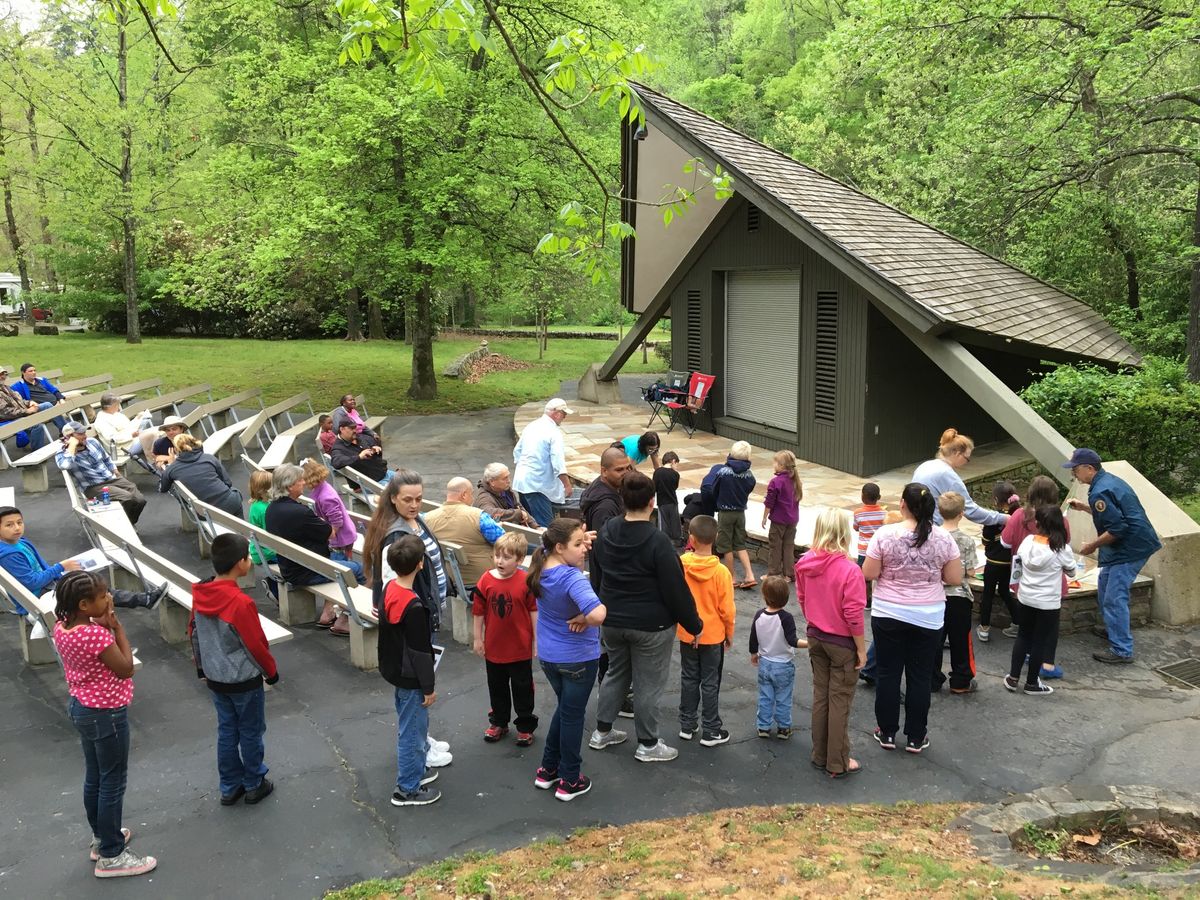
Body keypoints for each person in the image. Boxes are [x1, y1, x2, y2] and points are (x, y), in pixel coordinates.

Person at [587, 472, 702, 763]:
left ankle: (602, 732)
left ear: (622, 499)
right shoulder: (658, 541)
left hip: (612, 619)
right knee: (648, 684)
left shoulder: (607, 531)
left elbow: (597, 578)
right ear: (652, 501)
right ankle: (648, 744)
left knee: (616, 673)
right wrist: (694, 625)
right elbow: (676, 589)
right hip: (652, 625)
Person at [52, 570, 157, 878]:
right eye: (102, 596)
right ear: (84, 605)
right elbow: (125, 669)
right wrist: (117, 629)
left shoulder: (63, 627)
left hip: (81, 706)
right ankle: (111, 855)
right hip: (106, 712)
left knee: (96, 776)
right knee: (113, 780)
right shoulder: (96, 634)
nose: (109, 598)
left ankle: (102, 837)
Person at [862, 483, 962, 755]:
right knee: (919, 677)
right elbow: (954, 578)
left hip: (888, 613)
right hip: (928, 616)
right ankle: (916, 736)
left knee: (888, 673)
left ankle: (887, 732)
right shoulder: (943, 538)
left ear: (903, 505)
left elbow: (869, 572)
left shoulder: (885, 534)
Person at [190, 534, 279, 806]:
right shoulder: (240, 602)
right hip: (243, 678)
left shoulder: (201, 594)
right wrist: (270, 671)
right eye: (248, 557)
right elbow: (254, 643)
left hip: (216, 676)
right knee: (251, 730)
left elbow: (193, 634)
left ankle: (230, 786)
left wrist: (201, 668)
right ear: (241, 563)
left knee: (227, 730)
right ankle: (254, 782)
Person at [528, 518, 606, 801]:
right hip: (578, 659)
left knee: (565, 710)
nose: (584, 548)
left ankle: (548, 769)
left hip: (550, 656)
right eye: (578, 544)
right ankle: (570, 779)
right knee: (573, 716)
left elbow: (570, 563)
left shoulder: (541, 567)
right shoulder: (571, 578)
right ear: (560, 547)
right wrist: (586, 618)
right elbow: (598, 614)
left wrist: (579, 545)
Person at [0, 506, 167, 632]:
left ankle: (143, 600)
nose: (16, 528)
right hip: (38, 597)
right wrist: (60, 568)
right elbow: (31, 582)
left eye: (19, 522)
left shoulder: (21, 542)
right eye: (9, 525)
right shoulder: (8, 554)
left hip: (48, 587)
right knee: (91, 591)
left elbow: (40, 568)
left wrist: (61, 574)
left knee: (90, 585)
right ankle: (140, 602)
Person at [1064, 448, 1161, 664]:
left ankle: (1122, 650)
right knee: (1105, 584)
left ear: (1089, 468)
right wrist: (1084, 508)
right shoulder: (1107, 481)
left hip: (1130, 548)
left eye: (1076, 470)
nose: (1074, 475)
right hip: (1133, 544)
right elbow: (1112, 512)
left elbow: (1117, 529)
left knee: (1114, 597)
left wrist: (1091, 546)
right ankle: (1114, 630)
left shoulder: (1100, 491)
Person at [795, 509, 867, 776]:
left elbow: (802, 600)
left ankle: (820, 753)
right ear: (844, 533)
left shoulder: (804, 563)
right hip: (842, 642)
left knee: (821, 697)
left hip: (816, 635)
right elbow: (853, 615)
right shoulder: (850, 570)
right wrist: (861, 649)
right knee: (839, 700)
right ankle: (837, 761)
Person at [379, 534, 442, 807]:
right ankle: (407, 789)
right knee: (413, 732)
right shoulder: (414, 607)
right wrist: (428, 686)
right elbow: (419, 652)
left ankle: (415, 771)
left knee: (412, 724)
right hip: (412, 676)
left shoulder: (390, 589)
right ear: (420, 564)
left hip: (395, 668)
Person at [263, 464, 366, 604]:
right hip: (307, 570)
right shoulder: (300, 512)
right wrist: (320, 520)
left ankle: (328, 613)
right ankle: (348, 615)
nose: (304, 482)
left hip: (289, 565)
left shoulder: (271, 509)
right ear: (290, 486)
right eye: (300, 480)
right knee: (360, 570)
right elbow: (331, 533)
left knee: (342, 558)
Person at [472, 532, 538, 745]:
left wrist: (537, 640)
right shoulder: (486, 580)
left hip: (519, 648)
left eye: (507, 557)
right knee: (496, 687)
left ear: (519, 560)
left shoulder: (525, 581)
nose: (500, 561)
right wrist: (477, 638)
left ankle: (525, 726)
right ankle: (499, 721)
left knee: (523, 688)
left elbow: (533, 612)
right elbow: (478, 612)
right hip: (494, 647)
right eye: (497, 556)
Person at [1001, 475, 1069, 679]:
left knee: (1025, 629)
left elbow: (1005, 542)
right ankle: (1046, 664)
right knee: (1049, 629)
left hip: (1023, 580)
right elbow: (1065, 545)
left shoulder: (1019, 515)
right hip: (1050, 585)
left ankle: (1022, 665)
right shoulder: (1060, 519)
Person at [676, 514, 735, 747]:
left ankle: (687, 724)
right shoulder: (721, 573)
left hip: (688, 632)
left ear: (691, 538)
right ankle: (711, 729)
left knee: (689, 677)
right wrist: (729, 633)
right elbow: (727, 609)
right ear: (716, 537)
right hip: (713, 635)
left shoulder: (681, 564)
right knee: (710, 681)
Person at [1006, 506, 1076, 696]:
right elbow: (1072, 571)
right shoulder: (1061, 549)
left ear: (1038, 523)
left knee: (1023, 636)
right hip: (1048, 603)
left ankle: (1013, 678)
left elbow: (1018, 563)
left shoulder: (1027, 542)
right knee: (1039, 641)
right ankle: (1031, 683)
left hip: (1026, 597)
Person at [302, 459, 358, 634]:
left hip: (340, 539)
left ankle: (330, 613)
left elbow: (337, 521)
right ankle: (332, 612)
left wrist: (329, 535)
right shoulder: (321, 489)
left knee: (338, 573)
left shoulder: (326, 496)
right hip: (341, 538)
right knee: (338, 572)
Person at [913, 429, 1009, 528]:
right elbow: (970, 510)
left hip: (915, 523)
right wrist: (1004, 518)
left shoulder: (924, 466)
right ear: (957, 454)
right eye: (967, 458)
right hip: (933, 529)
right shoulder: (947, 475)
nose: (966, 462)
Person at [749, 575, 806, 739]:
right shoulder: (786, 618)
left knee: (765, 696)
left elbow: (754, 637)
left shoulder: (759, 615)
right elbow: (792, 641)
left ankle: (763, 727)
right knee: (783, 697)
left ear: (764, 596)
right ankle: (783, 728)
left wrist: (754, 653)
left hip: (765, 662)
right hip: (783, 664)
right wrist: (810, 643)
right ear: (786, 598)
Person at [56, 423, 147, 525]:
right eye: (80, 434)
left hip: (111, 479)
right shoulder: (63, 453)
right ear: (70, 437)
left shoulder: (92, 442)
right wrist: (72, 446)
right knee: (127, 497)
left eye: (84, 432)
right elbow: (64, 465)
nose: (85, 435)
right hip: (93, 487)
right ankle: (122, 526)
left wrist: (116, 473)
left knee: (140, 500)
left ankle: (129, 524)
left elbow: (106, 458)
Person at [425, 477, 506, 591]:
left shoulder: (427, 518)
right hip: (483, 578)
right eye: (471, 494)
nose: (473, 498)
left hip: (450, 578)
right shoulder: (479, 517)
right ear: (463, 495)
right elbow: (505, 542)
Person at [933, 491, 978, 695]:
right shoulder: (967, 541)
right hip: (959, 595)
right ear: (961, 513)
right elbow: (970, 571)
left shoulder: (932, 536)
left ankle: (931, 679)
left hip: (934, 595)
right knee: (960, 639)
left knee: (934, 639)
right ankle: (960, 680)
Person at [702, 441, 757, 589]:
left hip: (725, 513)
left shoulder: (723, 472)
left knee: (726, 546)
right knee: (740, 544)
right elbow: (750, 488)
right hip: (740, 513)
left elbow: (714, 490)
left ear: (731, 454)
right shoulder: (749, 475)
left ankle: (731, 577)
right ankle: (750, 575)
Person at [512, 397, 574, 527]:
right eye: (564, 414)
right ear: (556, 413)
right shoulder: (553, 433)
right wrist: (567, 485)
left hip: (522, 482)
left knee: (529, 524)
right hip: (537, 486)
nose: (565, 417)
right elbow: (558, 463)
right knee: (545, 527)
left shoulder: (532, 426)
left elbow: (517, 452)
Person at [977, 482, 1021, 644]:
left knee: (988, 594)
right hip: (1010, 562)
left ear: (996, 499)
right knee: (1004, 591)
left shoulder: (994, 518)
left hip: (993, 562)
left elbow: (986, 540)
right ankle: (1017, 623)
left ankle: (984, 628)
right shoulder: (1019, 514)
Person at [159, 433, 243, 518]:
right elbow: (228, 483)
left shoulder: (172, 469)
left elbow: (163, 488)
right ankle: (241, 530)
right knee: (235, 493)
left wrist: (170, 464)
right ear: (195, 443)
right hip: (230, 504)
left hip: (204, 513)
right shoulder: (209, 458)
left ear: (176, 450)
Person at [762, 449, 802, 578]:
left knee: (775, 546)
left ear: (781, 466)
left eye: (775, 463)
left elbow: (770, 502)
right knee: (788, 546)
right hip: (793, 520)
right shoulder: (796, 481)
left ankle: (774, 573)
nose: (773, 465)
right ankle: (789, 574)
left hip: (779, 520)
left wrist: (764, 517)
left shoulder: (776, 482)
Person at [579, 446, 633, 535]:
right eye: (619, 470)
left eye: (628, 468)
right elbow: (603, 543)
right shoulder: (605, 507)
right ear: (604, 471)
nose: (626, 473)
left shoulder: (603, 484)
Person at [12, 362, 67, 448]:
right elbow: (19, 401)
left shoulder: (42, 380)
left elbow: (54, 390)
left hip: (56, 402)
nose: (34, 372)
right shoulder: (18, 386)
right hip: (39, 408)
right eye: (30, 371)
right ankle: (66, 431)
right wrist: (29, 403)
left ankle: (91, 420)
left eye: (34, 370)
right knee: (47, 405)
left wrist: (61, 399)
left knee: (78, 396)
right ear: (23, 373)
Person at [92, 392, 158, 460]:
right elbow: (112, 439)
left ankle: (159, 462)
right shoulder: (101, 421)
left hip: (132, 441)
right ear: (110, 406)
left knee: (157, 430)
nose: (118, 407)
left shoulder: (116, 414)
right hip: (123, 448)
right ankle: (157, 463)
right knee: (152, 435)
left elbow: (128, 427)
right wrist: (131, 435)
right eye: (117, 405)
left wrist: (137, 419)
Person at [329, 419, 392, 485]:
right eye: (351, 428)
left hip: (383, 473)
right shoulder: (338, 448)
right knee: (398, 490)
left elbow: (373, 442)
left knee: (403, 477)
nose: (355, 431)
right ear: (342, 429)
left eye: (355, 428)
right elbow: (336, 462)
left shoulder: (359, 437)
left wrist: (375, 448)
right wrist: (359, 457)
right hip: (369, 483)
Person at [476, 463, 536, 527]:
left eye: (508, 477)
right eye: (504, 478)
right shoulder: (484, 498)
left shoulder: (504, 489)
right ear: (492, 482)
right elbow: (489, 513)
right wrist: (517, 514)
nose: (509, 481)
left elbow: (518, 507)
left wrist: (535, 526)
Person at [0, 365, 45, 447]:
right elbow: (5, 412)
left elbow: (19, 400)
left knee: (46, 405)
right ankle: (37, 451)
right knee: (37, 425)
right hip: (7, 420)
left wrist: (29, 403)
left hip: (19, 413)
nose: (3, 376)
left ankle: (66, 432)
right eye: (0, 374)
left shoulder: (5, 387)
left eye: (4, 373)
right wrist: (27, 411)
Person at [247, 471, 276, 566]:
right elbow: (272, 534)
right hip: (267, 553)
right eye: (272, 486)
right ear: (263, 491)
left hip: (257, 550)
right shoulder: (265, 510)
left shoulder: (255, 504)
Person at [653, 451, 682, 543]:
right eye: (676, 463)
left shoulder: (657, 472)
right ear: (673, 461)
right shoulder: (675, 474)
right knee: (675, 521)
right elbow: (675, 487)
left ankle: (664, 540)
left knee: (663, 523)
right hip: (673, 501)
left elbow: (654, 487)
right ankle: (677, 540)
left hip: (662, 501)